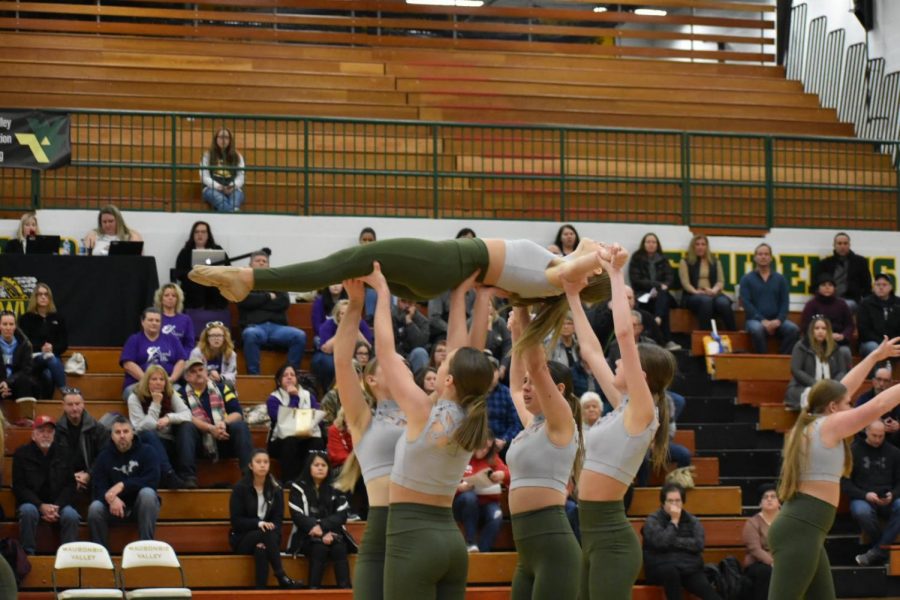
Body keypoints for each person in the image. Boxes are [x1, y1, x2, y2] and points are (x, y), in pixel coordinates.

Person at [188, 236, 616, 354]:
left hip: (445, 263)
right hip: (440, 275)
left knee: (346, 261)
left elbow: (583, 267)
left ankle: (249, 279)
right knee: (349, 265)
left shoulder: (559, 275)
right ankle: (249, 280)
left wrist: (607, 261)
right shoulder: (549, 278)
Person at [367, 262, 494, 599]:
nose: (439, 364)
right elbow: (471, 354)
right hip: (451, 542)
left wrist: (382, 292)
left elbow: (384, 353)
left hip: (413, 539)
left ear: (448, 379)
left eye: (443, 366)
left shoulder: (424, 411)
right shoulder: (470, 412)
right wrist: (466, 295)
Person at [565, 244, 676, 600]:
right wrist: (572, 296)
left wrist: (616, 274)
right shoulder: (624, 406)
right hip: (592, 534)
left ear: (640, 375)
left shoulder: (644, 410)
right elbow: (590, 352)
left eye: (623, 361)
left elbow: (625, 336)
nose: (615, 362)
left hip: (612, 541)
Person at [767, 336, 900, 598]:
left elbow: (840, 389)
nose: (850, 405)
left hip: (807, 529)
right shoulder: (828, 426)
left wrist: (874, 357)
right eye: (848, 404)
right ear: (832, 407)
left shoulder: (813, 419)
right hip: (800, 529)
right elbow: (880, 405)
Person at [332, 276, 406, 599]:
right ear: (371, 378)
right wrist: (356, 306)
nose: (402, 368)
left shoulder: (425, 410)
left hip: (422, 523)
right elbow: (341, 361)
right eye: (392, 365)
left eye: (403, 364)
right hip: (382, 521)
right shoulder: (364, 418)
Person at [505, 305, 583, 599]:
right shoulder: (532, 426)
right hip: (527, 553)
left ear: (558, 389)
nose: (526, 387)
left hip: (554, 552)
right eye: (527, 382)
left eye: (533, 384)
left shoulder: (561, 424)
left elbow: (537, 366)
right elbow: (514, 387)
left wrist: (523, 311)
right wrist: (515, 333)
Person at [229, 449, 303, 589]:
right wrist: (258, 523)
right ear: (250, 465)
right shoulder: (240, 488)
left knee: (262, 550)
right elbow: (236, 522)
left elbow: (277, 519)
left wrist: (268, 539)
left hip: (268, 539)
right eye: (258, 462)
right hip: (242, 538)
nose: (262, 465)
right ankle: (281, 576)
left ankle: (260, 592)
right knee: (265, 534)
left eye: (266, 462)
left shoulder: (276, 488)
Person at [87, 416, 160, 550]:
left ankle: (147, 547)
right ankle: (101, 553)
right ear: (112, 436)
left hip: (140, 507)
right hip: (113, 509)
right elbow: (98, 488)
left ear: (132, 433)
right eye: (118, 432)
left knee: (148, 493)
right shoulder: (103, 457)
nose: (122, 436)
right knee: (95, 507)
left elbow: (151, 480)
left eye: (126, 432)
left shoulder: (147, 451)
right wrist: (111, 498)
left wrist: (122, 486)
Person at [642, 483, 722, 600]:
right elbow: (661, 543)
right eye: (670, 501)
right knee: (671, 572)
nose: (674, 504)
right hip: (660, 568)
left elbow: (698, 544)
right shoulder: (652, 520)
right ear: (663, 503)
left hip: (688, 568)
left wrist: (673, 542)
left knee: (708, 592)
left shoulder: (692, 521)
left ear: (683, 502)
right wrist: (674, 522)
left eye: (677, 501)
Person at [13, 415, 80, 555]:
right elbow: (19, 487)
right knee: (27, 511)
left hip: (59, 505)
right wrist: (40, 505)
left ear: (54, 435)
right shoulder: (21, 454)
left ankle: (69, 556)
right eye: (41, 431)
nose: (45, 435)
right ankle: (28, 554)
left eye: (49, 432)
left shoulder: (65, 453)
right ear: (33, 435)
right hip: (32, 504)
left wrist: (57, 506)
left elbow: (70, 485)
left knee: (71, 515)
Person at [288, 452, 352, 589]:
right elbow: (297, 516)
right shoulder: (297, 487)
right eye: (316, 465)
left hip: (333, 534)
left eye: (324, 465)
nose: (320, 468)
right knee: (319, 548)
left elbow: (342, 515)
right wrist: (321, 533)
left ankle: (345, 591)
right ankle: (313, 591)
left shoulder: (337, 487)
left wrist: (323, 528)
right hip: (306, 535)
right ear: (309, 467)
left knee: (340, 548)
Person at [127, 365, 196, 489]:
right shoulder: (134, 397)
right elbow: (142, 427)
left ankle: (188, 476)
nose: (158, 382)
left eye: (162, 379)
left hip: (169, 440)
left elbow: (187, 414)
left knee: (187, 426)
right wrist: (156, 403)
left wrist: (169, 418)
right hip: (147, 443)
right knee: (148, 434)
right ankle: (168, 474)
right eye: (154, 379)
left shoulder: (170, 393)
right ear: (147, 381)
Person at [238, 251, 307, 375]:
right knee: (250, 334)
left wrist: (257, 302)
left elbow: (284, 302)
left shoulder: (277, 280)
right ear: (250, 264)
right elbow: (244, 301)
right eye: (258, 261)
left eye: (264, 261)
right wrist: (269, 296)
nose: (261, 263)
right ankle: (254, 376)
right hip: (255, 327)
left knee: (299, 336)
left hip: (278, 328)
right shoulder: (243, 282)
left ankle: (290, 373)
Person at [182, 357, 252, 478]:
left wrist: (223, 423)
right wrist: (210, 429)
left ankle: (249, 476)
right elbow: (185, 416)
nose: (198, 373)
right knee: (185, 427)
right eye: (193, 371)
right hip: (199, 443)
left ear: (206, 372)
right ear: (186, 377)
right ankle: (188, 477)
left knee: (240, 426)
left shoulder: (222, 388)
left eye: (200, 369)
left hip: (223, 437)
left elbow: (237, 413)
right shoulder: (180, 395)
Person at [842, 420, 900, 566]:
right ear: (866, 431)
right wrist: (865, 495)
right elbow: (845, 483)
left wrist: (892, 494)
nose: (878, 439)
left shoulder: (894, 452)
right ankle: (881, 550)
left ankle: (877, 552)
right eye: (874, 435)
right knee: (862, 511)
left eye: (881, 436)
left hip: (888, 497)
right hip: (863, 496)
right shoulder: (853, 451)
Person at [266, 363, 324, 484]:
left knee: (317, 441)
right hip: (280, 439)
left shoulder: (309, 396)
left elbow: (317, 418)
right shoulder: (273, 398)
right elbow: (280, 420)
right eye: (285, 375)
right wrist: (294, 398)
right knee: (290, 441)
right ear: (278, 381)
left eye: (292, 375)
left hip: (306, 435)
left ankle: (311, 481)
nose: (289, 377)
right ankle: (290, 481)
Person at [739, 243, 800, 354]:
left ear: (771, 258)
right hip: (754, 320)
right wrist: (763, 321)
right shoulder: (746, 279)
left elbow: (784, 302)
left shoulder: (780, 279)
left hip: (777, 320)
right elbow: (747, 304)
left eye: (766, 254)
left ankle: (781, 361)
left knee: (793, 329)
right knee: (757, 330)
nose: (763, 257)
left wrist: (778, 320)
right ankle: (763, 361)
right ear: (755, 257)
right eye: (760, 254)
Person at [454, 433, 509, 553]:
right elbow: (445, 481)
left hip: (486, 502)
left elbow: (507, 474)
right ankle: (471, 542)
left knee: (497, 515)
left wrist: (502, 474)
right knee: (469, 497)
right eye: (482, 446)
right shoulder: (461, 456)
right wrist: (459, 487)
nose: (485, 450)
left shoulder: (492, 458)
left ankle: (482, 554)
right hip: (463, 503)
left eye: (488, 448)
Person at [172, 221, 232, 331]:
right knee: (195, 284)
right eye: (197, 232)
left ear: (208, 235)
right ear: (193, 235)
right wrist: (195, 273)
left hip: (214, 288)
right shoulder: (185, 252)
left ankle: (216, 314)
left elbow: (228, 269)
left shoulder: (218, 249)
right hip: (193, 289)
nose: (200, 235)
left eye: (203, 232)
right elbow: (179, 273)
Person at [784, 316, 851, 411]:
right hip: (803, 387)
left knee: (838, 399)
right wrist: (817, 385)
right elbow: (796, 370)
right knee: (814, 396)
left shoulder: (835, 348)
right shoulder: (801, 346)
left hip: (830, 389)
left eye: (824, 328)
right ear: (811, 330)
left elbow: (841, 371)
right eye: (817, 328)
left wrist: (832, 386)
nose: (820, 331)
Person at [628, 232, 681, 351]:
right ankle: (666, 339)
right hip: (643, 294)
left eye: (653, 242)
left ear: (657, 244)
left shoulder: (663, 259)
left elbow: (670, 279)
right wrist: (656, 286)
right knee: (663, 302)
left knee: (663, 296)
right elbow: (636, 280)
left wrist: (662, 287)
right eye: (648, 242)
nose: (651, 244)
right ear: (643, 244)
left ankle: (657, 318)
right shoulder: (637, 258)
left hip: (661, 295)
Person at [120, 307, 186, 400]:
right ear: (142, 322)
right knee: (133, 395)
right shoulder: (134, 340)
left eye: (157, 320)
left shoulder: (172, 339)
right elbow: (128, 364)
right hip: (139, 384)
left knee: (182, 394)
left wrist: (172, 379)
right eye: (150, 320)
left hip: (168, 384)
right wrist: (148, 381)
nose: (154, 323)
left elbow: (181, 361)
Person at [55, 388, 109, 499]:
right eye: (70, 404)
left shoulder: (98, 429)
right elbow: (55, 460)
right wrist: (71, 477)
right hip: (65, 480)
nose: (74, 408)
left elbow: (104, 457)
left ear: (83, 404)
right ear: (63, 405)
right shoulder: (56, 430)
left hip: (93, 478)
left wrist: (89, 475)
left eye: (77, 404)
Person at [311, 299, 373, 393]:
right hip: (332, 355)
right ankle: (331, 392)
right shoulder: (329, 324)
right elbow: (326, 349)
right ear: (337, 315)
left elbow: (368, 347)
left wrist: (355, 329)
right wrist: (342, 329)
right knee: (326, 363)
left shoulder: (361, 324)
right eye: (343, 313)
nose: (346, 316)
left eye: (349, 313)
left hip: (354, 355)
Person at [18, 282, 68, 398]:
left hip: (53, 358)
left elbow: (64, 344)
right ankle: (64, 389)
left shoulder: (58, 318)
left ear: (50, 298)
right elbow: (23, 343)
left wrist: (52, 348)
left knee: (48, 375)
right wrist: (41, 348)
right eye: (39, 294)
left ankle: (46, 405)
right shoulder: (25, 319)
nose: (43, 297)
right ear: (34, 297)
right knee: (49, 357)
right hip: (33, 359)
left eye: (46, 294)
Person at [678, 234, 736, 331]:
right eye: (697, 244)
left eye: (703, 244)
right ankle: (705, 334)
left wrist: (714, 290)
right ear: (693, 246)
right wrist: (696, 292)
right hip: (693, 295)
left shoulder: (715, 261)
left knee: (724, 303)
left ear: (707, 246)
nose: (700, 247)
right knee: (706, 301)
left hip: (712, 293)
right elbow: (685, 283)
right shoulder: (685, 262)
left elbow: (721, 281)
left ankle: (733, 333)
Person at [811, 232, 872, 312]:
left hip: (851, 300)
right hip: (828, 298)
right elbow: (816, 285)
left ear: (849, 245)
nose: (842, 246)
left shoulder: (860, 262)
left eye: (845, 243)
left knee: (842, 306)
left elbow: (867, 285)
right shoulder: (825, 263)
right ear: (834, 245)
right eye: (839, 243)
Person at [800, 273, 854, 362]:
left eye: (830, 285)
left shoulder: (842, 304)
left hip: (838, 342)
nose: (827, 287)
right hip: (817, 342)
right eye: (824, 285)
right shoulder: (811, 305)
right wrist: (826, 335)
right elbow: (806, 327)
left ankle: (847, 375)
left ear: (834, 288)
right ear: (818, 288)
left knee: (845, 351)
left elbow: (850, 325)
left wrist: (843, 335)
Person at [742, 484, 779, 600]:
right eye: (765, 497)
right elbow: (755, 549)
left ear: (779, 502)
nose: (769, 499)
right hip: (758, 562)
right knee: (766, 572)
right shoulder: (752, 523)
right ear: (759, 503)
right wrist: (772, 562)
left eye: (773, 496)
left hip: (782, 560)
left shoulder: (787, 522)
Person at [200, 127, 245, 212]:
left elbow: (241, 177)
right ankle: (233, 216)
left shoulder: (237, 156)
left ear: (230, 140)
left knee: (235, 201)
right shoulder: (207, 155)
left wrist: (232, 186)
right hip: (211, 188)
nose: (223, 140)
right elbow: (204, 176)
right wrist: (218, 186)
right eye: (221, 137)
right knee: (221, 200)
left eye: (226, 137)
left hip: (233, 189)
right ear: (216, 139)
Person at [485, 357, 521, 458]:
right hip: (477, 444)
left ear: (498, 372)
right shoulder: (474, 392)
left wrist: (504, 440)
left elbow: (516, 424)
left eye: (494, 370)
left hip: (502, 444)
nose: (490, 373)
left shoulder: (507, 393)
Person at [858, 273, 900, 357]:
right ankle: (879, 370)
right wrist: (883, 343)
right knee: (874, 347)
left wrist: (892, 342)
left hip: (894, 342)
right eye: (878, 284)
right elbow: (864, 331)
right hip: (871, 342)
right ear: (873, 287)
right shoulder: (865, 303)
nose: (881, 287)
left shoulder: (898, 303)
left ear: (891, 287)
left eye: (884, 285)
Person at [855, 367, 899, 441]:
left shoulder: (897, 398)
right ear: (873, 381)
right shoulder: (863, 399)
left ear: (891, 383)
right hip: (869, 440)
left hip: (893, 441)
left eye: (886, 381)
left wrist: (898, 425)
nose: (881, 384)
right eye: (879, 379)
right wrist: (878, 426)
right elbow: (857, 423)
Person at [190, 321, 237, 388]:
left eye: (219, 335)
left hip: (222, 384)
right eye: (212, 335)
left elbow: (232, 374)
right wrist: (207, 378)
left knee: (229, 384)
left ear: (224, 338)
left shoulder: (231, 354)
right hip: (202, 384)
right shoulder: (197, 353)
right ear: (207, 338)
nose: (216, 338)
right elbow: (192, 373)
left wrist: (220, 378)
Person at [0, 309, 35, 401]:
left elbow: (26, 370)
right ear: (0, 326)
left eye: (11, 324)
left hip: (17, 384)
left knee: (25, 380)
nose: (8, 328)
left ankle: (26, 415)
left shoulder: (24, 344)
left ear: (15, 326)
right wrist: (2, 385)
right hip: (0, 384)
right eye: (5, 324)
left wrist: (8, 382)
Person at [391, 296, 431, 374]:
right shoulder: (390, 317)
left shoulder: (423, 321)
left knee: (420, 352)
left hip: (411, 356)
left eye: (410, 302)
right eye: (404, 301)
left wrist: (409, 322)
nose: (406, 305)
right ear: (398, 302)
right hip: (394, 354)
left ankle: (421, 384)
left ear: (414, 304)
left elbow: (419, 343)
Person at [154, 283, 196, 356]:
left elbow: (189, 344)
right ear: (161, 299)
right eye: (166, 295)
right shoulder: (154, 318)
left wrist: (183, 358)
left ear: (178, 299)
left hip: (180, 359)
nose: (170, 298)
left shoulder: (186, 319)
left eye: (174, 296)